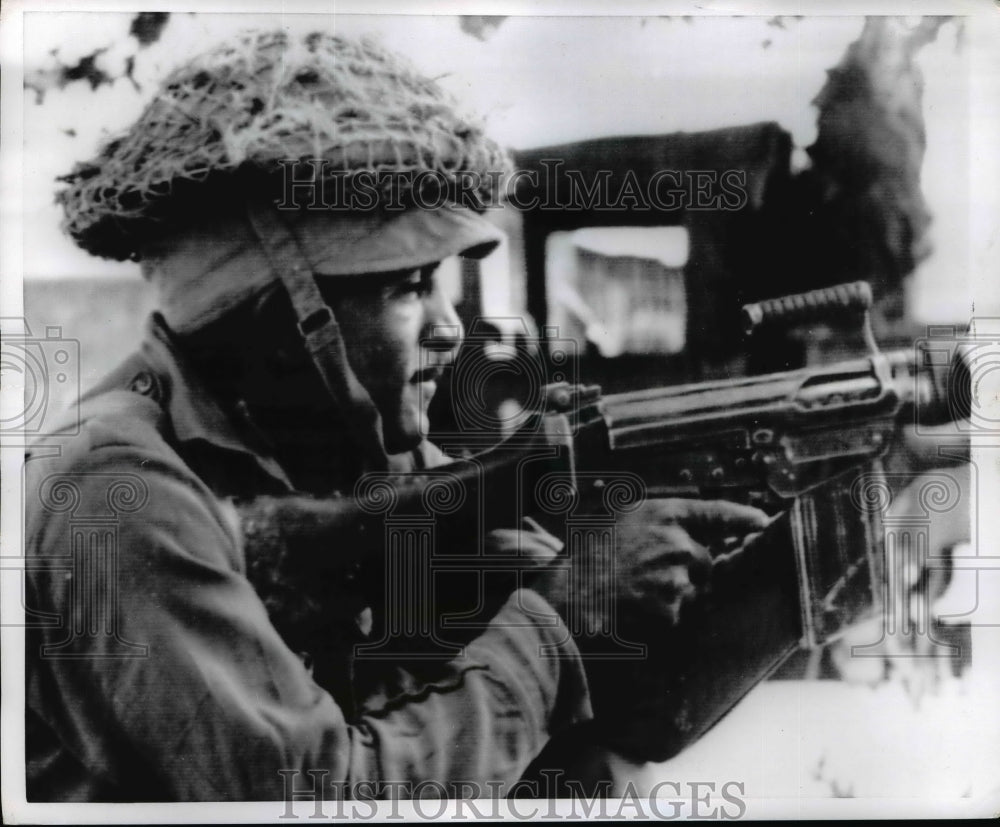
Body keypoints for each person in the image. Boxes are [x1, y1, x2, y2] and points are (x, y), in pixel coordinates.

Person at [24, 29, 770, 802]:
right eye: (408, 286)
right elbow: (308, 797)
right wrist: (561, 619)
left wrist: (797, 555)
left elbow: (630, 710)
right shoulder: (114, 494)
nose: (450, 326)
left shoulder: (362, 459)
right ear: (280, 314)